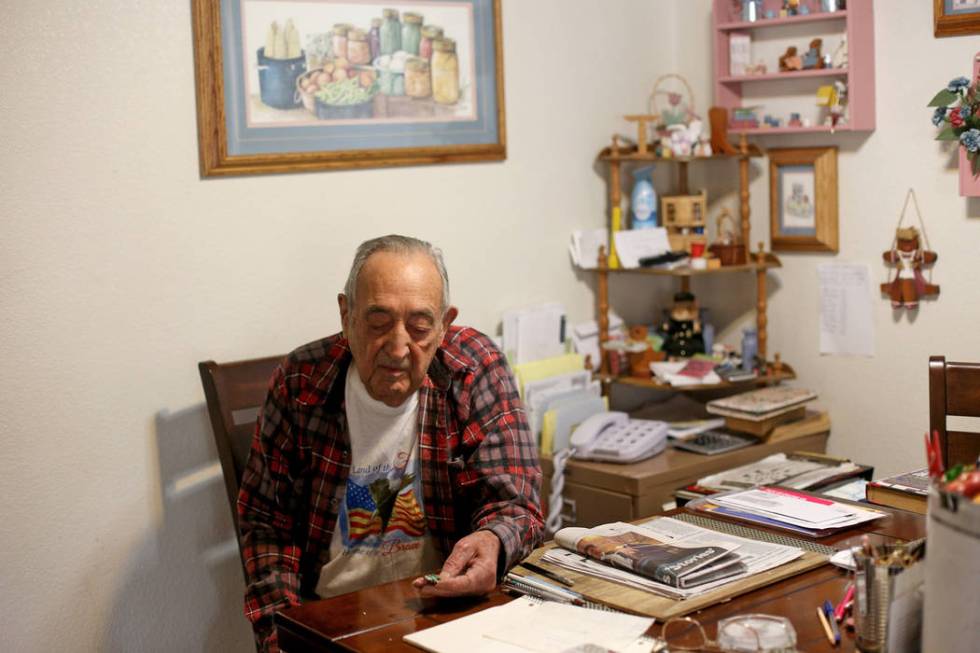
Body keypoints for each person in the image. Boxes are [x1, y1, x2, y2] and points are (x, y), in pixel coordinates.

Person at [237, 235, 544, 652]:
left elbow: (515, 503)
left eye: (419, 326)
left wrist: (493, 541)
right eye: (378, 322)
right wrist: (283, 641)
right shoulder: (300, 383)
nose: (398, 348)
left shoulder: (474, 368)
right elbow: (267, 528)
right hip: (333, 617)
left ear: (443, 325)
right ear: (346, 315)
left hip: (447, 610)